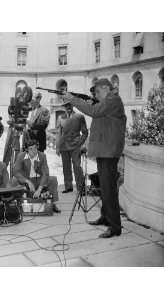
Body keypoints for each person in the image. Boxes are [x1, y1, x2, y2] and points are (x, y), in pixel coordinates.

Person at [62, 78, 127, 238]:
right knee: (104, 187)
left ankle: (115, 227)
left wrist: (73, 100)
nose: (96, 95)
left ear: (106, 88)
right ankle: (106, 217)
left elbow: (95, 112)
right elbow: (97, 114)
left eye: (97, 92)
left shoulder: (113, 99)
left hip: (109, 151)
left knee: (109, 188)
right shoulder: (107, 102)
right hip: (103, 150)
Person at [13, 139, 60, 213]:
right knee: (14, 180)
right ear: (26, 149)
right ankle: (15, 203)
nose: (33, 151)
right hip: (26, 179)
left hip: (39, 179)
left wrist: (39, 189)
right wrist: (27, 181)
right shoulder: (21, 156)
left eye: (35, 148)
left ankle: (52, 203)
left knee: (53, 179)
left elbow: (45, 173)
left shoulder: (42, 156)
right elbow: (15, 171)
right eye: (31, 149)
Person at [56, 102, 88, 194]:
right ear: (64, 107)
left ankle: (81, 189)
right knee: (66, 168)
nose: (68, 107)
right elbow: (58, 133)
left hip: (75, 147)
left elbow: (85, 133)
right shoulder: (60, 118)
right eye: (66, 105)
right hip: (63, 146)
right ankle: (68, 186)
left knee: (77, 167)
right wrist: (57, 147)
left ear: (73, 105)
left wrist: (80, 143)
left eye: (69, 105)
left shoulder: (79, 117)